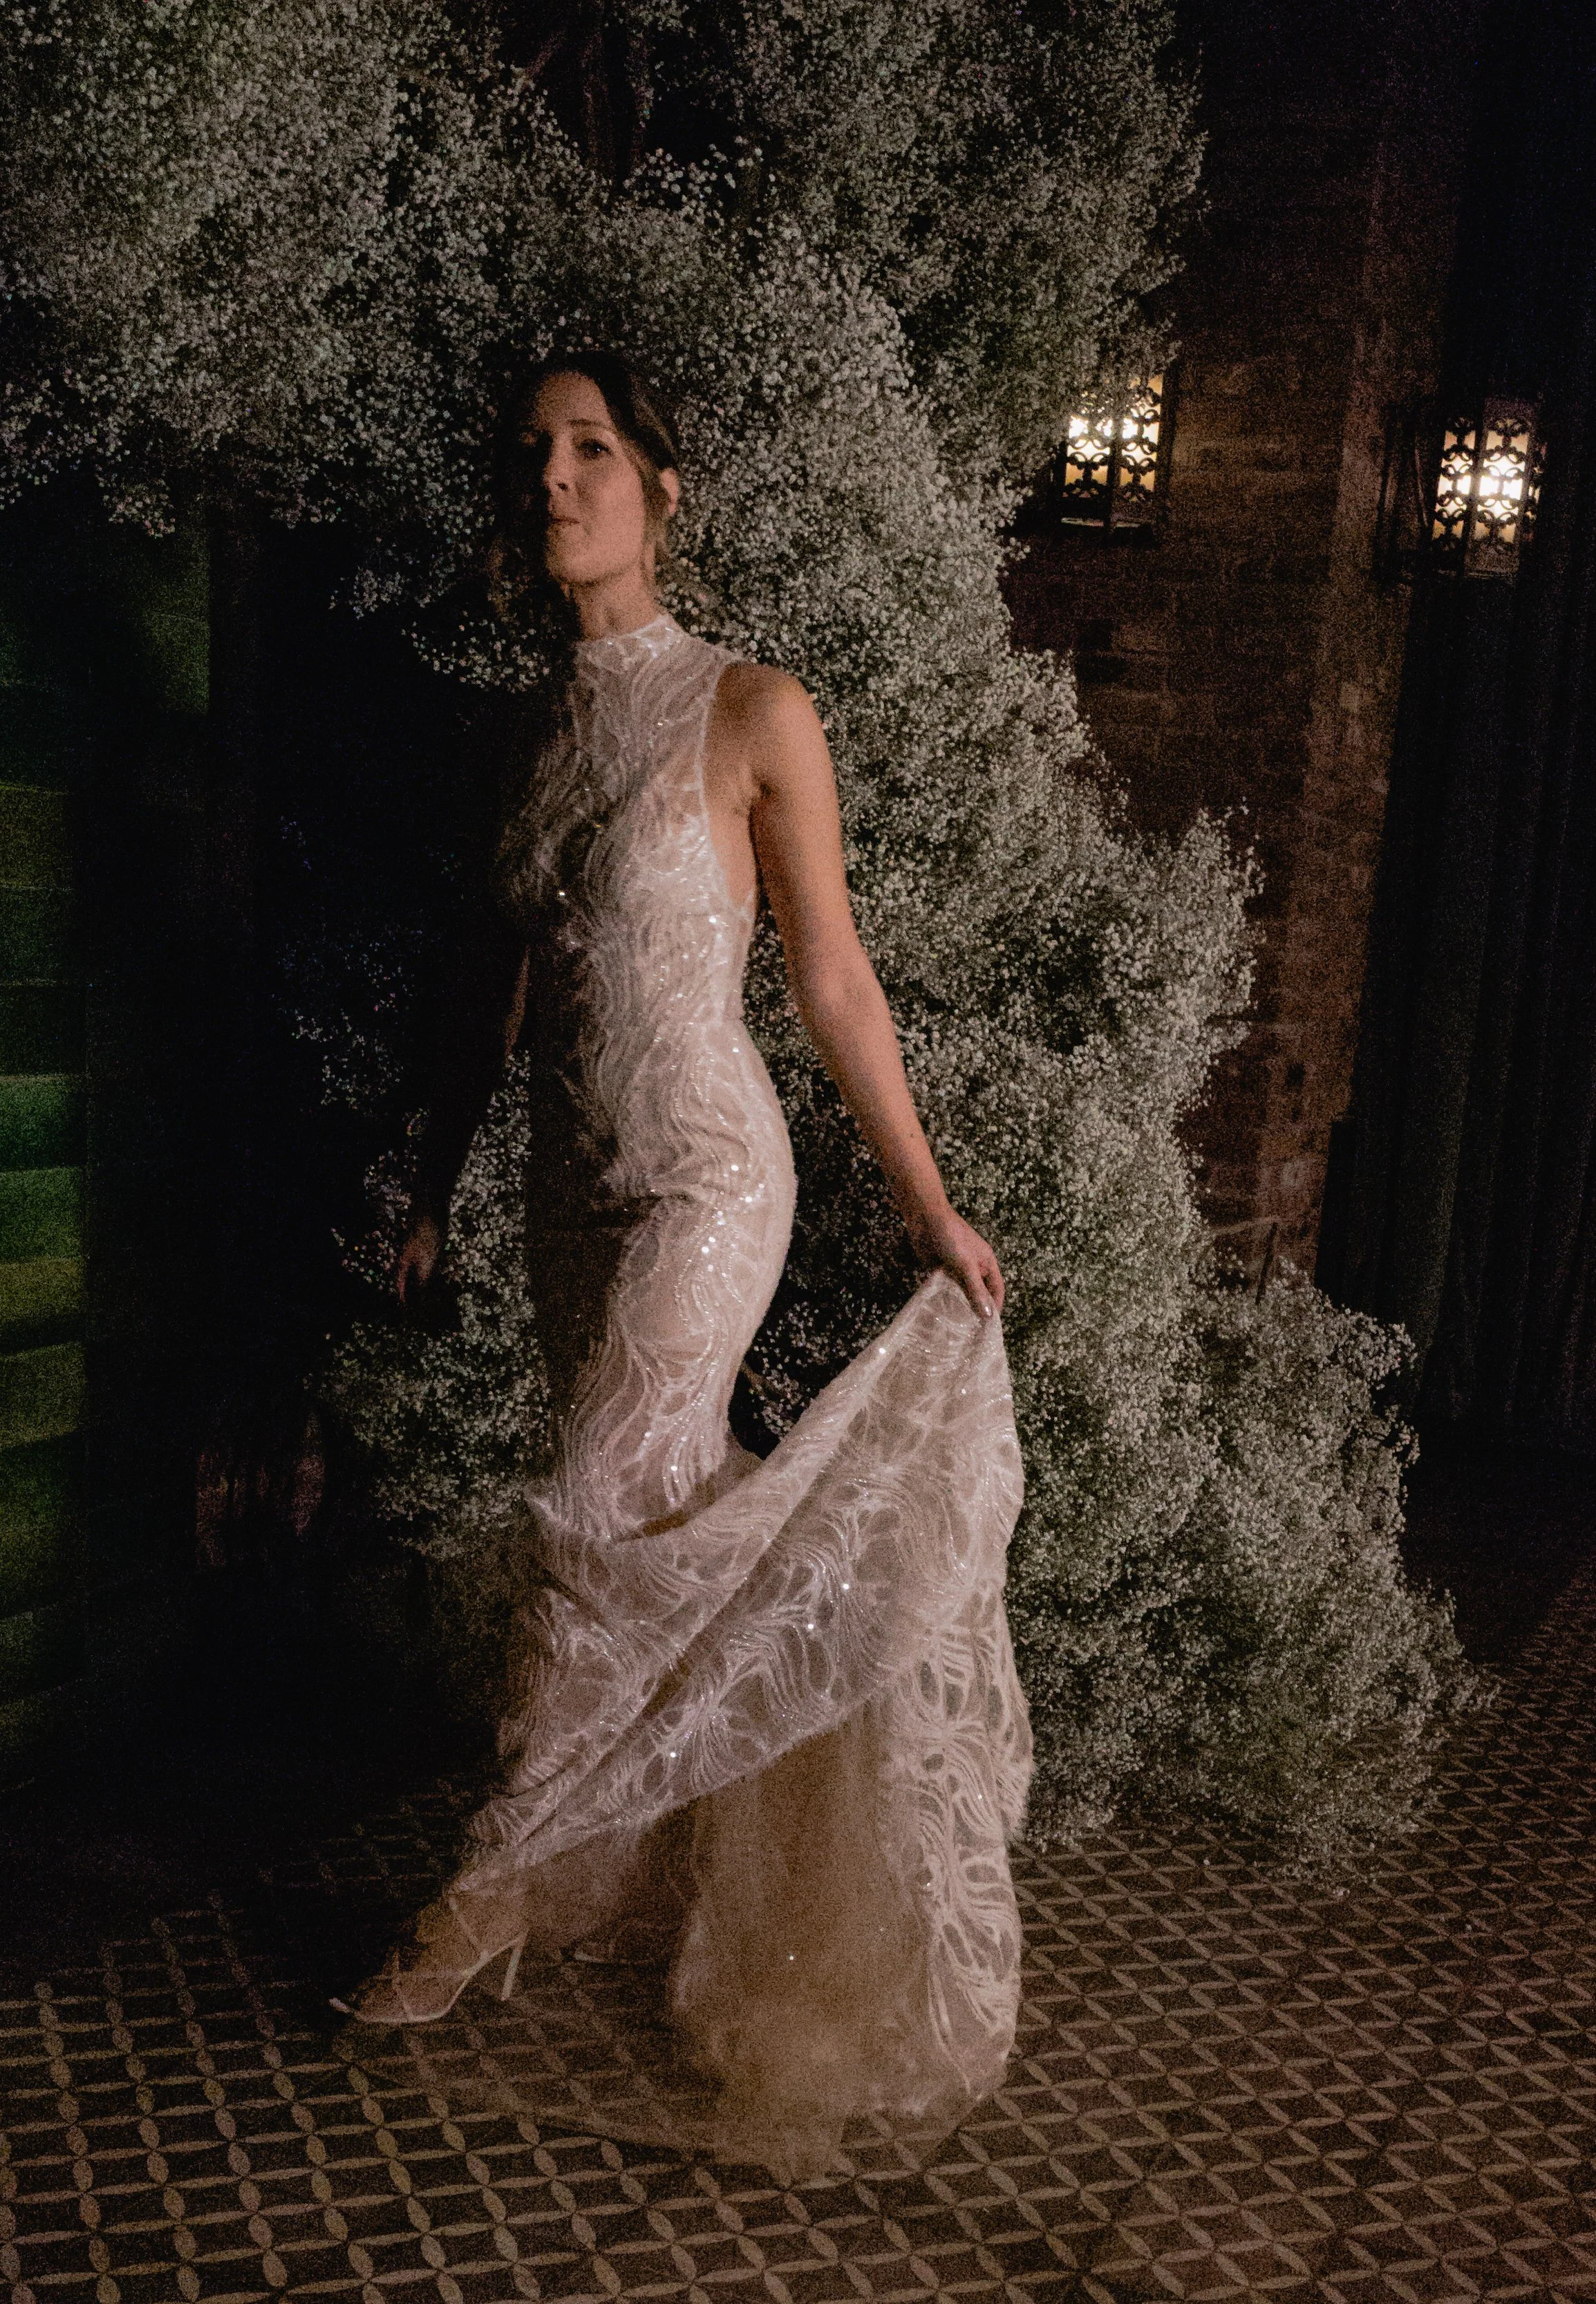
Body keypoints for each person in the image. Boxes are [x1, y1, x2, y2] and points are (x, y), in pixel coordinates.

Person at [331, 353, 1033, 2175]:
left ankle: (477, 1903)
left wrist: (927, 1206)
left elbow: (832, 980)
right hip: (573, 1198)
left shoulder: (748, 707)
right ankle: (756, 1848)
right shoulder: (518, 735)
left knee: (589, 1510)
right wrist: (432, 1189)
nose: (556, 480)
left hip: (712, 1181)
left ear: (662, 486)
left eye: (592, 450)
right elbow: (480, 1005)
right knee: (670, 1524)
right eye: (534, 456)